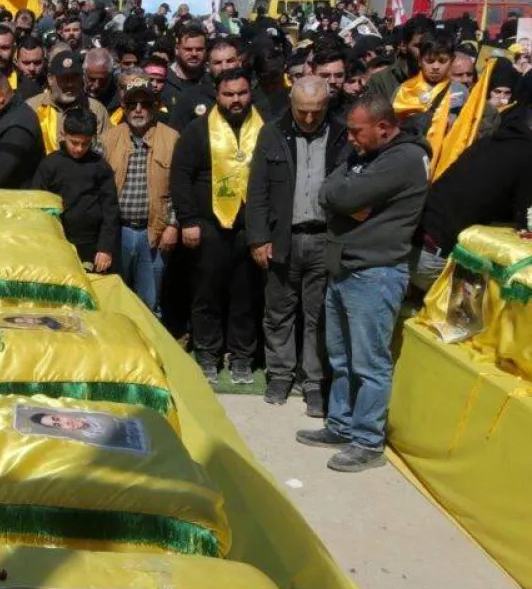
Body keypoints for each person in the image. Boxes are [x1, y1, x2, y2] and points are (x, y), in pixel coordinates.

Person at [298, 95, 428, 473]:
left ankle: (368, 441)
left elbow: (345, 194)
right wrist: (340, 195)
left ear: (383, 128)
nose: (351, 138)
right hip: (346, 268)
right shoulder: (367, 155)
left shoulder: (403, 159)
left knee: (369, 363)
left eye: (357, 131)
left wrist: (341, 195)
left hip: (375, 273)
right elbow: (328, 190)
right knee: (340, 358)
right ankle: (341, 425)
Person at [245, 76, 349, 415]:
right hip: (282, 238)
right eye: (302, 111)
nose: (308, 118)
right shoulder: (272, 133)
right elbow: (257, 190)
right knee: (278, 311)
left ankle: (314, 380)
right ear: (291, 103)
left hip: (325, 238)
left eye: (316, 111)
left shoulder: (342, 134)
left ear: (327, 104)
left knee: (318, 315)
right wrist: (258, 237)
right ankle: (279, 374)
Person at [170, 68, 266, 384]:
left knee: (246, 295)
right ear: (217, 95)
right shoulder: (198, 130)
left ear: (250, 93)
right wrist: (187, 220)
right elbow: (181, 176)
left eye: (241, 93)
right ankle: (207, 353)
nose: (236, 100)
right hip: (208, 225)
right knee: (206, 293)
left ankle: (241, 356)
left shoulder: (265, 128)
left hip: (250, 227)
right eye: (229, 94)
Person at [413, 96, 532, 293]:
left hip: (414, 242)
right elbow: (526, 218)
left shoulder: (488, 142)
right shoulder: (527, 155)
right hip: (434, 257)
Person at [101, 75, 179, 313]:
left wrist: (173, 225)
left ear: (155, 106)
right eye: (132, 104)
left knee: (150, 303)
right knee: (116, 300)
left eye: (144, 104)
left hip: (154, 232)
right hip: (118, 232)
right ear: (123, 107)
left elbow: (182, 188)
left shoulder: (172, 138)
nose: (138, 109)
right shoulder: (107, 139)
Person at [30, 107, 118, 270]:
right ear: (64, 135)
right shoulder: (50, 165)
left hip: (91, 245)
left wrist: (105, 247)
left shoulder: (100, 166)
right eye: (74, 143)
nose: (79, 149)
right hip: (57, 242)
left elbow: (110, 209)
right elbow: (37, 205)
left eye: (85, 144)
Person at [26, 52, 109, 155]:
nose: (70, 84)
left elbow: (106, 150)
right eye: (64, 78)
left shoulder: (96, 110)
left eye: (75, 78)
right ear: (50, 79)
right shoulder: (32, 108)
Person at [168, 37, 243, 131]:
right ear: (208, 66)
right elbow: (173, 135)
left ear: (239, 62)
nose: (224, 67)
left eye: (230, 61)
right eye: (217, 63)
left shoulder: (251, 96)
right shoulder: (189, 99)